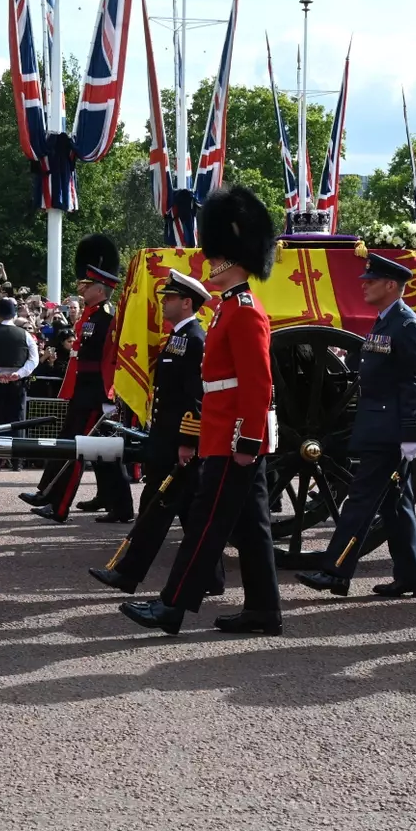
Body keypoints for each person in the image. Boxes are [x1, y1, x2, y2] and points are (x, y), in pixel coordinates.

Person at [118, 186, 283, 637]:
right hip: (223, 431)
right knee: (252, 529)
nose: (210, 265)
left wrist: (248, 439)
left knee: (206, 525)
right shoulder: (231, 308)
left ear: (233, 260)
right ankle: (264, 611)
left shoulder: (246, 311)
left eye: (215, 259)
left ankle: (172, 607)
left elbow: (257, 383)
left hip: (235, 438)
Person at [295, 254, 416, 599]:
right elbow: (365, 364)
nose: (364, 284)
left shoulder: (406, 325)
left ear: (391, 285)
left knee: (360, 501)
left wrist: (410, 432)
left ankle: (336, 572)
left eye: (372, 280)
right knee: (395, 505)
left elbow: (412, 383)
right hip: (376, 425)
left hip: (389, 431)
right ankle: (413, 577)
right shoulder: (385, 322)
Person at [89, 270, 227, 596]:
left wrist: (187, 442)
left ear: (186, 302)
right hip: (166, 440)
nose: (164, 303)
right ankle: (211, 579)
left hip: (177, 445)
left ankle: (127, 574)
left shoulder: (194, 339)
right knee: (187, 514)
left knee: (157, 511)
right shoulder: (179, 338)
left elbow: (195, 396)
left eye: (170, 298)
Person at [23, 235, 134, 524]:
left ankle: (59, 506)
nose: (81, 289)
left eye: (86, 285)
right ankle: (119, 506)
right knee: (101, 452)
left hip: (96, 393)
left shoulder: (107, 318)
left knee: (77, 447)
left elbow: (106, 358)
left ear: (100, 289)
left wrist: (109, 397)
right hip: (85, 391)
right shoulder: (90, 315)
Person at [0, 297, 39, 470]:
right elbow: (34, 359)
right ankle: (17, 460)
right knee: (18, 420)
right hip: (18, 383)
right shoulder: (25, 334)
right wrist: (19, 373)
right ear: (14, 313)